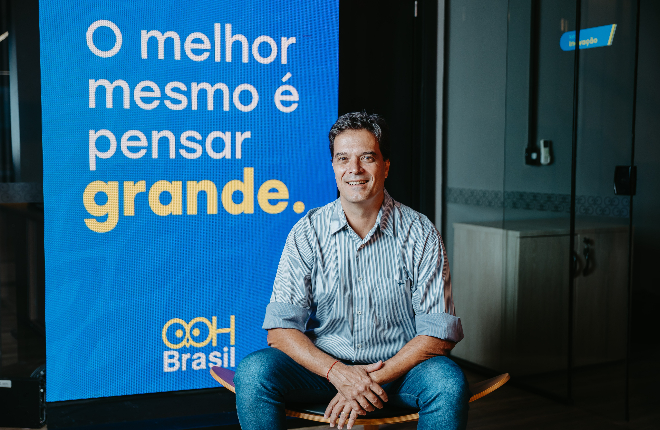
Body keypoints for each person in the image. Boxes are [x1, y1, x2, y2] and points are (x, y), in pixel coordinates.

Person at [234, 112, 469, 430]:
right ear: (333, 166)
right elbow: (280, 330)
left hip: (400, 373)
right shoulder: (308, 232)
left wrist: (366, 380)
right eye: (343, 158)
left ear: (386, 166)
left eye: (367, 157)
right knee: (253, 372)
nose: (354, 169)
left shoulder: (420, 232)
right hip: (323, 372)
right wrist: (339, 373)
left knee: (448, 382)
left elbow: (438, 333)